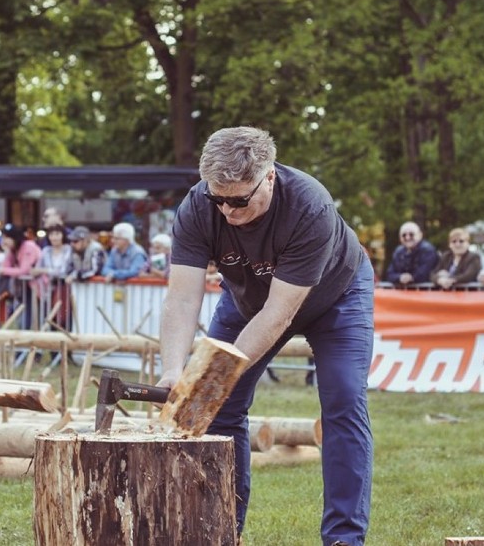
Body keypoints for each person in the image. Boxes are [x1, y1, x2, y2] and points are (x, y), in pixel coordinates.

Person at [157, 127, 375, 545]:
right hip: (249, 301)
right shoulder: (198, 206)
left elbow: (279, 314)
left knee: (344, 399)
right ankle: (223, 532)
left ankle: (344, 539)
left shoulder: (310, 206)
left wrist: (213, 374)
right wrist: (173, 370)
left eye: (239, 200)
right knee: (218, 408)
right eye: (217, 198)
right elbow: (183, 299)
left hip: (336, 297)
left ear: (269, 176)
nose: (227, 211)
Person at [0, 224, 42, 328]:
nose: (4, 241)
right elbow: (5, 266)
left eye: (7, 237)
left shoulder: (28, 246)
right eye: (3, 237)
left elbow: (24, 270)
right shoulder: (13, 249)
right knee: (25, 311)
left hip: (39, 286)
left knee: (35, 313)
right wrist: (6, 251)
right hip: (24, 286)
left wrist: (3, 270)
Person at [32, 223, 74, 329]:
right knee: (48, 317)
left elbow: (63, 270)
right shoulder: (46, 250)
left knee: (64, 318)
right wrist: (45, 271)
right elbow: (35, 270)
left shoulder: (69, 250)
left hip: (65, 288)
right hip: (47, 289)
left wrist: (45, 270)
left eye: (57, 234)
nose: (54, 237)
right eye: (51, 234)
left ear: (63, 235)